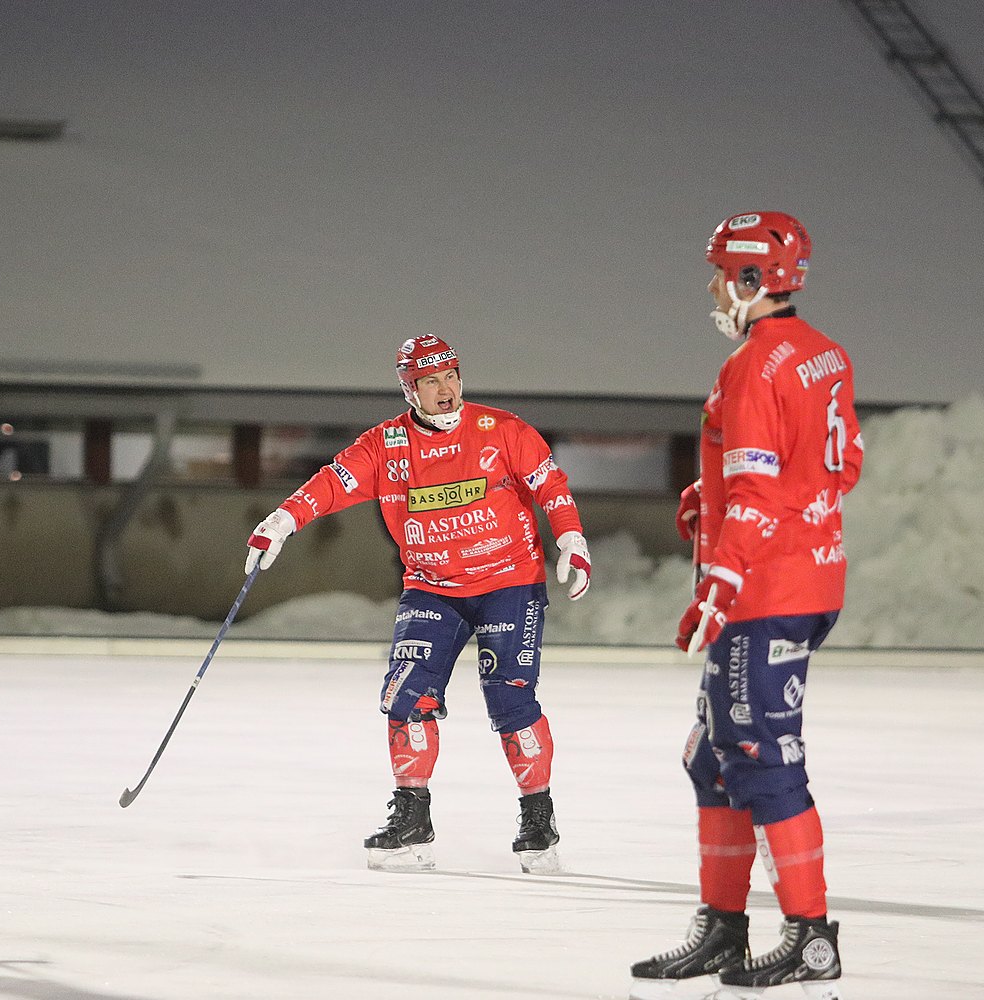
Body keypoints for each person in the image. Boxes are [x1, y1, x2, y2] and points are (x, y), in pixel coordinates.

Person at [244, 333, 592, 874]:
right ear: (410, 390)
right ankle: (412, 819)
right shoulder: (386, 445)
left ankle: (538, 819)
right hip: (432, 586)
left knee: (511, 701)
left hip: (509, 584)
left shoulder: (501, 430)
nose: (445, 389)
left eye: (451, 376)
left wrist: (571, 536)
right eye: (430, 381)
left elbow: (551, 484)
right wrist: (283, 521)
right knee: (406, 695)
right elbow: (331, 484)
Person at [630, 212, 862, 1000]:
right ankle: (725, 925)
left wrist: (721, 577)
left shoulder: (753, 365)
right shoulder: (825, 354)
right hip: (806, 573)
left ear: (755, 280)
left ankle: (812, 939)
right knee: (712, 756)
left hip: (766, 589)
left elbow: (764, 489)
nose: (713, 286)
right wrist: (715, 490)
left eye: (722, 271)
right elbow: (841, 465)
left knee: (762, 757)